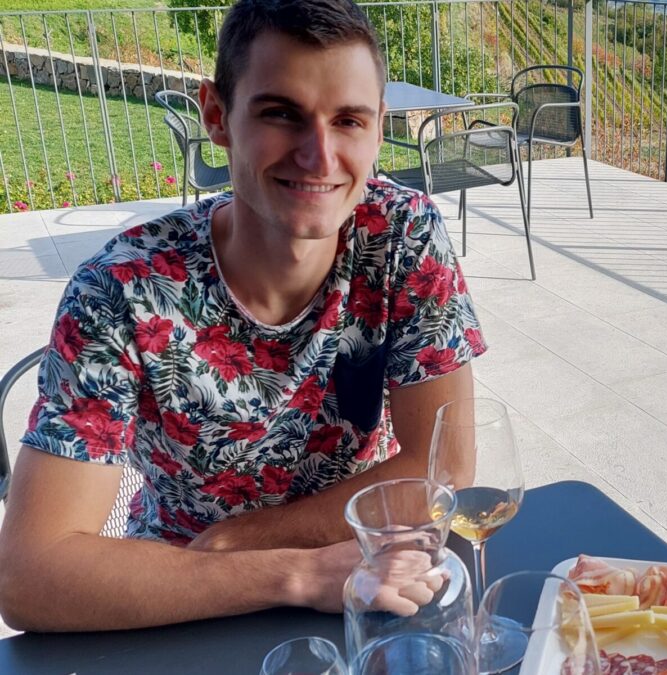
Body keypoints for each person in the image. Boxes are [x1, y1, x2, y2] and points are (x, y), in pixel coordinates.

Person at [0, 0, 484, 632]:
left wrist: (250, 537)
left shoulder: (401, 236)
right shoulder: (122, 291)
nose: (320, 156)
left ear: (377, 129)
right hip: (184, 593)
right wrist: (295, 574)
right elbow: (29, 575)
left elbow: (444, 466)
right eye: (281, 114)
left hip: (366, 571)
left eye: (348, 120)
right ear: (216, 116)